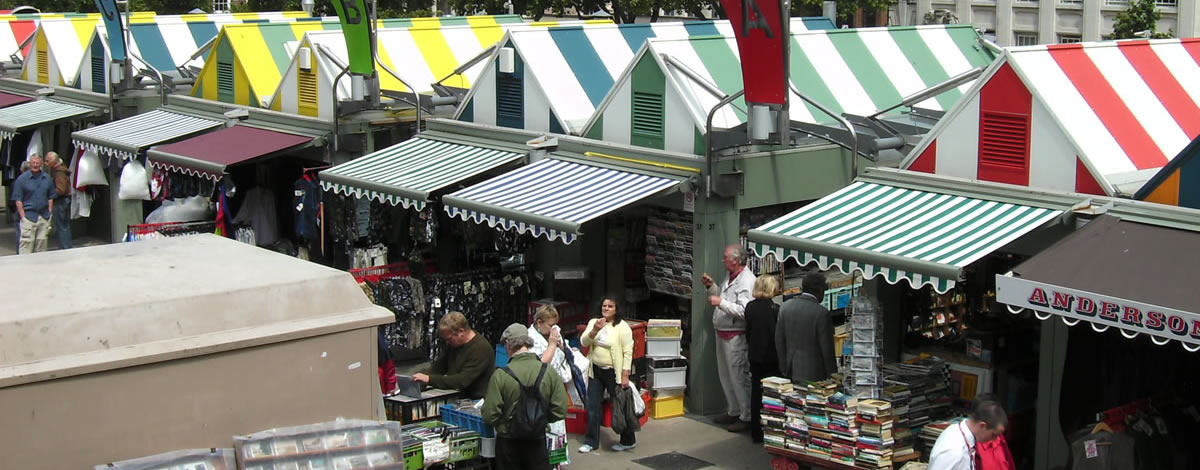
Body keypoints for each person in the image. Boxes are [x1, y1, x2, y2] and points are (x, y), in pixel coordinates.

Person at [482, 323, 569, 470]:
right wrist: (539, 420)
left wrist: (504, 423)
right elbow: (560, 409)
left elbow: (490, 415)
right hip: (537, 441)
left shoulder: (501, 375)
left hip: (508, 443)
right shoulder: (547, 371)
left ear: (508, 345)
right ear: (528, 343)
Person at [701, 243, 756, 432]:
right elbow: (723, 297)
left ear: (736, 260)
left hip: (736, 336)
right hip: (722, 332)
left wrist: (721, 302)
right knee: (726, 375)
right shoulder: (731, 276)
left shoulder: (747, 281)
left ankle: (746, 416)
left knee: (738, 376)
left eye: (726, 258)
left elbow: (744, 310)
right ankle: (733, 410)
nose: (723, 260)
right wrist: (712, 287)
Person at [578, 296, 636, 453]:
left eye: (610, 306)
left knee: (620, 406)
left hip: (613, 372)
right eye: (604, 305)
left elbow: (628, 351)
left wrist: (625, 374)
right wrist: (595, 329)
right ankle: (591, 442)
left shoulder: (622, 327)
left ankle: (628, 440)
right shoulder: (594, 322)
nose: (606, 308)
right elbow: (584, 342)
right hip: (595, 370)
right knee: (592, 406)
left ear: (616, 309)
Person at [413, 312, 494, 399]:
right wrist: (418, 381)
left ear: (461, 332)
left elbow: (462, 380)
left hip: (476, 401)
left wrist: (429, 379)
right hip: (457, 397)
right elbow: (438, 367)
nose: (447, 342)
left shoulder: (481, 349)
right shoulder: (453, 345)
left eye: (449, 339)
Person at [775, 272, 836, 384]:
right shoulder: (821, 313)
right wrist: (833, 375)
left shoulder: (785, 307)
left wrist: (783, 367)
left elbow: (779, 341)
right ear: (819, 290)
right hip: (814, 374)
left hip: (790, 369)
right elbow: (827, 349)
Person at [744, 275, 781, 443]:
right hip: (772, 356)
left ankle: (756, 432)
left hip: (755, 355)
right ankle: (772, 430)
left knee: (756, 393)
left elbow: (749, 332)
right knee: (773, 393)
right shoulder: (775, 309)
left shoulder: (750, 307)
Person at [928, 398, 1008, 470]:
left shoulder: (958, 429)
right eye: (994, 435)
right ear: (982, 426)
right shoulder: (954, 451)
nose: (995, 439)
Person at [12, 154, 56, 254]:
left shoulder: (47, 178)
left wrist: (49, 212)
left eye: (37, 163)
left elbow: (51, 197)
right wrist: (23, 217)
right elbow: (18, 200)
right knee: (26, 245)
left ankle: (40, 267)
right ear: (30, 164)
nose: (35, 165)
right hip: (28, 217)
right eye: (33, 163)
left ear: (41, 164)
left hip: (44, 216)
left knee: (42, 245)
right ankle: (24, 267)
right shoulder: (22, 180)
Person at [528, 305, 570, 384]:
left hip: (559, 379)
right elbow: (540, 367)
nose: (554, 328)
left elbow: (564, 352)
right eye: (551, 325)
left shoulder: (554, 331)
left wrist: (562, 347)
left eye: (555, 324)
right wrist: (552, 345)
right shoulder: (530, 339)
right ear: (539, 323)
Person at [45, 152, 71, 249]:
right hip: (64, 200)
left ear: (54, 161)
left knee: (61, 226)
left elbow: (61, 190)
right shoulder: (60, 170)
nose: (46, 164)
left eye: (48, 161)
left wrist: (49, 194)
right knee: (64, 225)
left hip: (61, 202)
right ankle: (66, 246)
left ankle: (65, 247)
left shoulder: (59, 173)